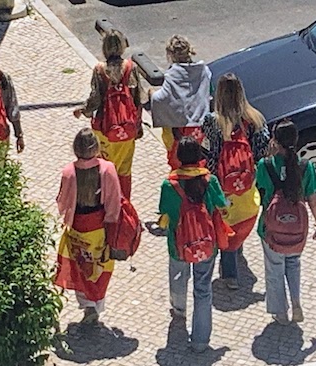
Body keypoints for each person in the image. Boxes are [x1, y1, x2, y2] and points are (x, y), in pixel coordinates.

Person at [158, 136, 227, 352]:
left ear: (178, 157)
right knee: (203, 288)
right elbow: (223, 207)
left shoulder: (169, 185)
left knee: (178, 275)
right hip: (207, 243)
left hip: (178, 243)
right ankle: (200, 340)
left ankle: (179, 309)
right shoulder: (211, 180)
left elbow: (165, 213)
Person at [202, 73, 270, 290]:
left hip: (223, 188)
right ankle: (237, 251)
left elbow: (208, 155)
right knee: (241, 224)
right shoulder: (256, 119)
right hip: (248, 187)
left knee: (225, 228)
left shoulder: (213, 122)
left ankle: (230, 275)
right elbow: (262, 153)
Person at [256, 120, 316, 326]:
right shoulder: (306, 166)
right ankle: (296, 301)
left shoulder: (265, 165)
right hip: (297, 227)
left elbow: (260, 190)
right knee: (293, 264)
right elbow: (312, 199)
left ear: (275, 141)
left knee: (274, 269)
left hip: (271, 228)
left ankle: (280, 313)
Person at [55, 128, 122, 325]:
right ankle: (97, 302)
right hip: (99, 226)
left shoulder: (69, 172)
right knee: (100, 266)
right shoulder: (107, 169)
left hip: (77, 226)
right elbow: (114, 201)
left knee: (80, 266)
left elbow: (62, 202)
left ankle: (86, 304)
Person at [73, 29, 144, 199]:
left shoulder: (99, 70)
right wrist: (138, 126)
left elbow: (95, 98)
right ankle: (124, 205)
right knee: (124, 171)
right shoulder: (131, 67)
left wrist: (83, 110)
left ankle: (105, 202)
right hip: (127, 129)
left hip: (104, 130)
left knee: (104, 167)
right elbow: (138, 99)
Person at [150, 35, 211, 170]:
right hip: (199, 127)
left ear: (170, 55)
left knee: (178, 164)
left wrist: (151, 95)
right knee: (198, 161)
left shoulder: (172, 74)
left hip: (178, 130)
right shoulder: (204, 70)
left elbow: (161, 99)